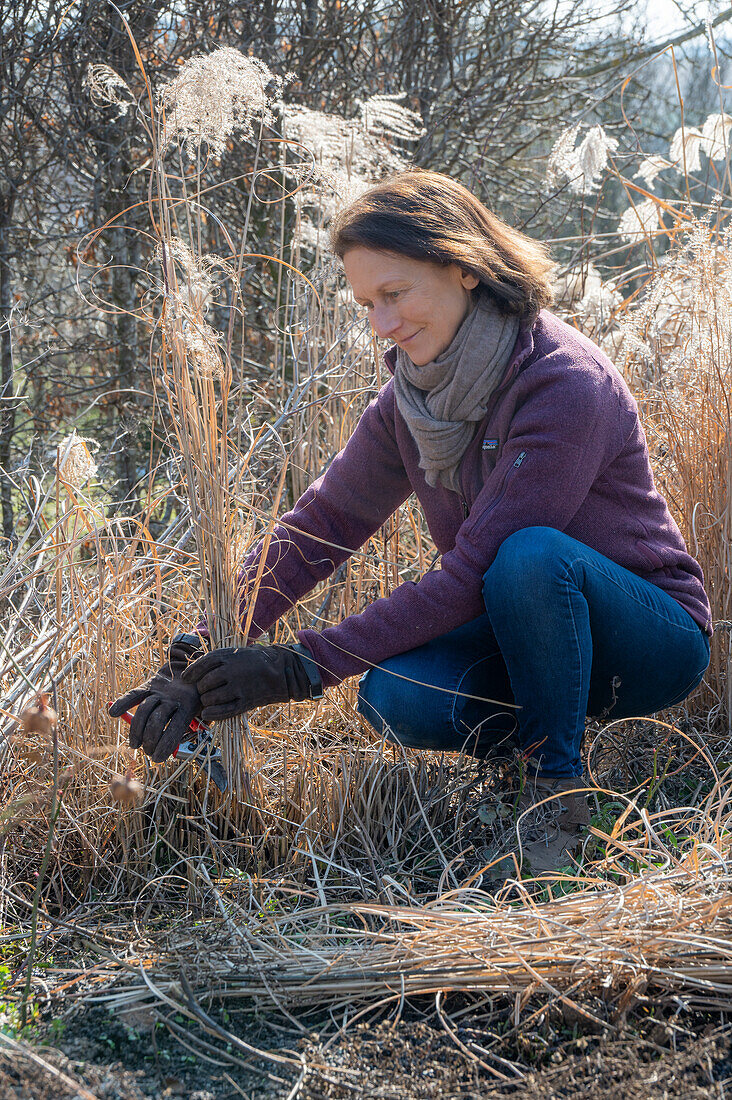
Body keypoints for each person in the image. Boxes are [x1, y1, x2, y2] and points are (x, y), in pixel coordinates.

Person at [110, 170, 712, 873]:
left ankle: (557, 799)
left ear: (463, 267)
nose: (382, 325)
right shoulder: (411, 397)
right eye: (367, 303)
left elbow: (474, 570)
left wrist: (301, 667)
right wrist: (204, 649)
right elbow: (322, 524)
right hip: (517, 621)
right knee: (394, 697)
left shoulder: (564, 382)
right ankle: (536, 745)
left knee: (528, 556)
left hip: (649, 638)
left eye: (395, 294)